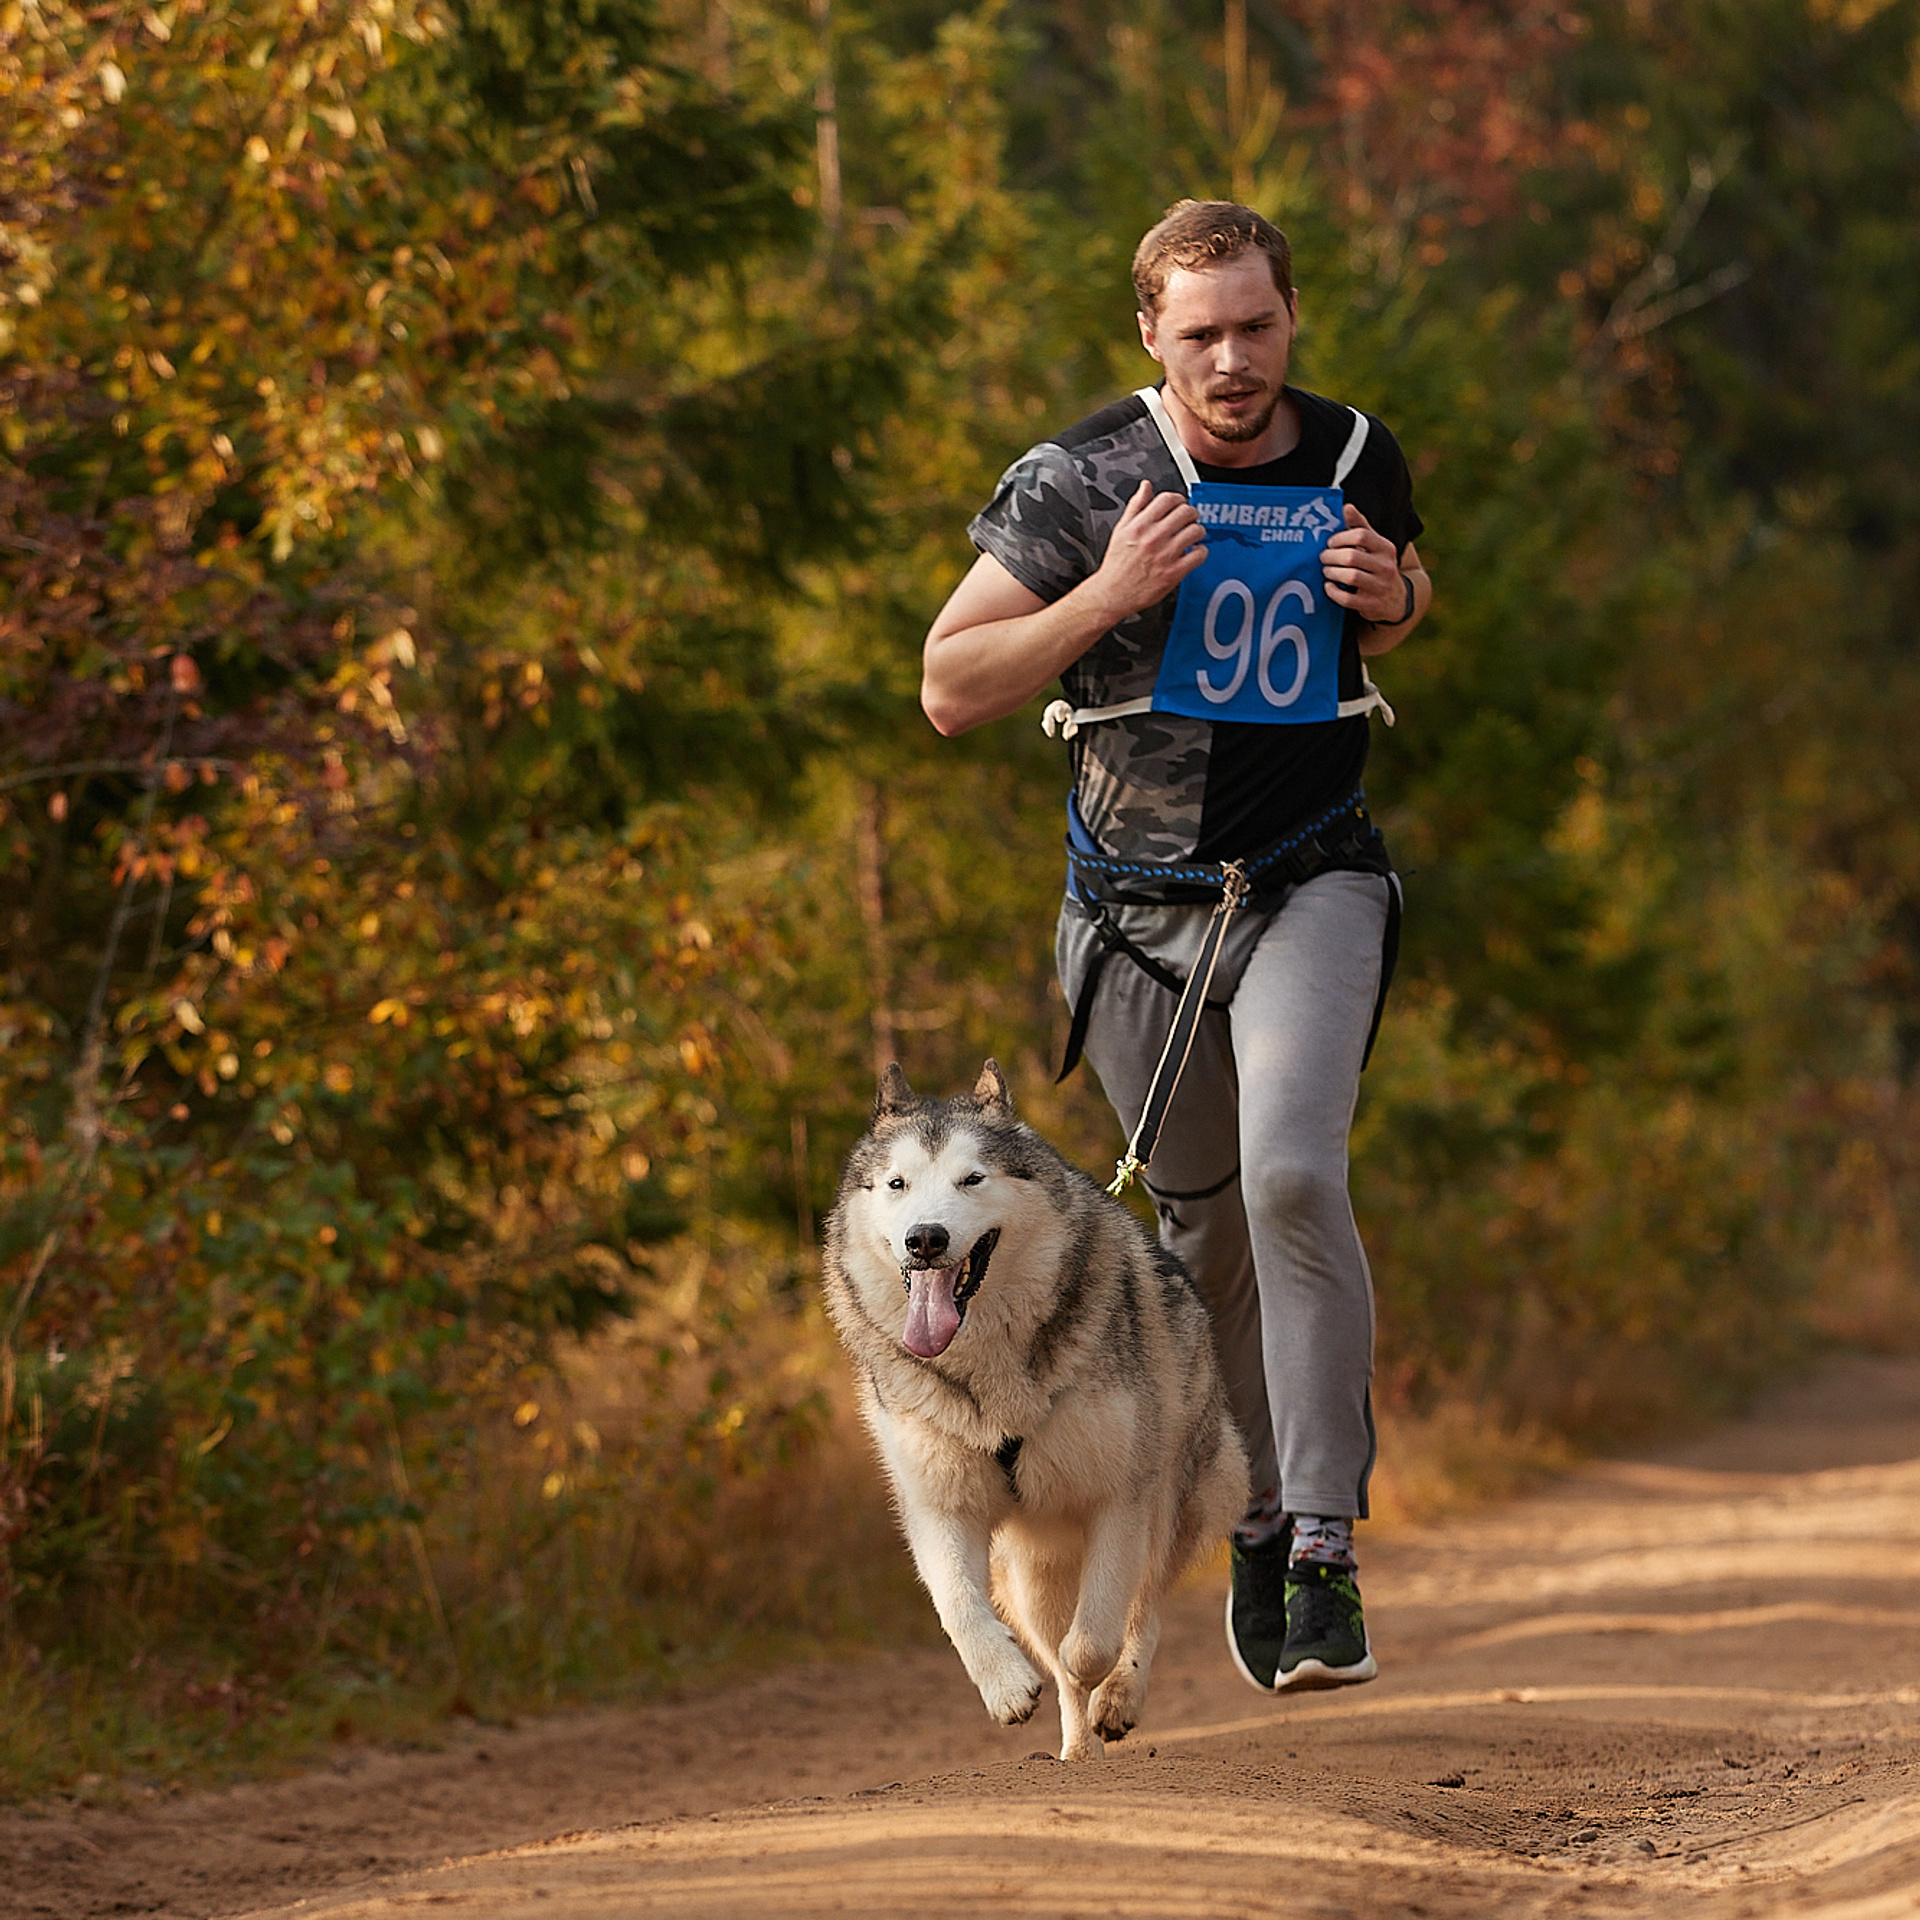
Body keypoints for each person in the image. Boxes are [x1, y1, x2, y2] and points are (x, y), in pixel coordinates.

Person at [920, 200, 1430, 1694]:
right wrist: (1107, 594)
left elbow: (1396, 599)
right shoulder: (1081, 477)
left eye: (1255, 327)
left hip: (1309, 879)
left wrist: (1394, 599)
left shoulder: (1349, 455)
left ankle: (1325, 1544)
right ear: (1150, 333)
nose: (1231, 361)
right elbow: (950, 685)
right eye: (1199, 333)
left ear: (1291, 319)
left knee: (1292, 1170)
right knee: (1205, 1234)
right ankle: (1259, 1519)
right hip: (1138, 919)